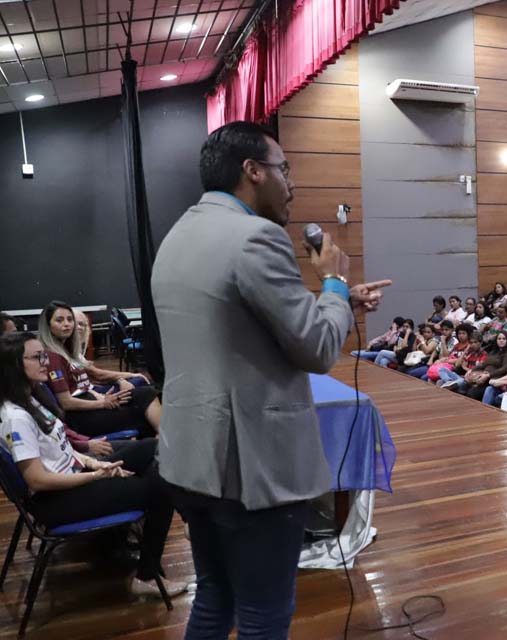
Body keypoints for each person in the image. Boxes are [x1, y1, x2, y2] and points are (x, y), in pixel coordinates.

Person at [150, 121, 390, 638]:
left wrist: (340, 303)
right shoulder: (257, 238)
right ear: (252, 171)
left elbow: (243, 324)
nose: (292, 183)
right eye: (284, 169)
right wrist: (332, 281)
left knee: (215, 598)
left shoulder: (180, 233)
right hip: (250, 467)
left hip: (190, 458)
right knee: (264, 614)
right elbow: (317, 348)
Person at [0, 332, 185, 597]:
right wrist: (97, 476)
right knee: (160, 485)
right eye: (37, 357)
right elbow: (37, 480)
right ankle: (146, 576)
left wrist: (92, 462)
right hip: (58, 501)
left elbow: (61, 450)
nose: (45, 361)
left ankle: (117, 539)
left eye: (44, 355)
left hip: (74, 477)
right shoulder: (15, 417)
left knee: (154, 449)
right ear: (13, 366)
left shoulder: (31, 398)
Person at [39, 301, 162, 438]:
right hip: (82, 419)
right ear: (48, 325)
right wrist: (102, 403)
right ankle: (165, 442)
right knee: (146, 397)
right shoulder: (53, 356)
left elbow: (82, 385)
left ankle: (156, 443)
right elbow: (66, 403)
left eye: (69, 319)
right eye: (59, 320)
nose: (67, 324)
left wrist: (101, 397)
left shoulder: (66, 351)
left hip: (91, 405)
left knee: (144, 394)